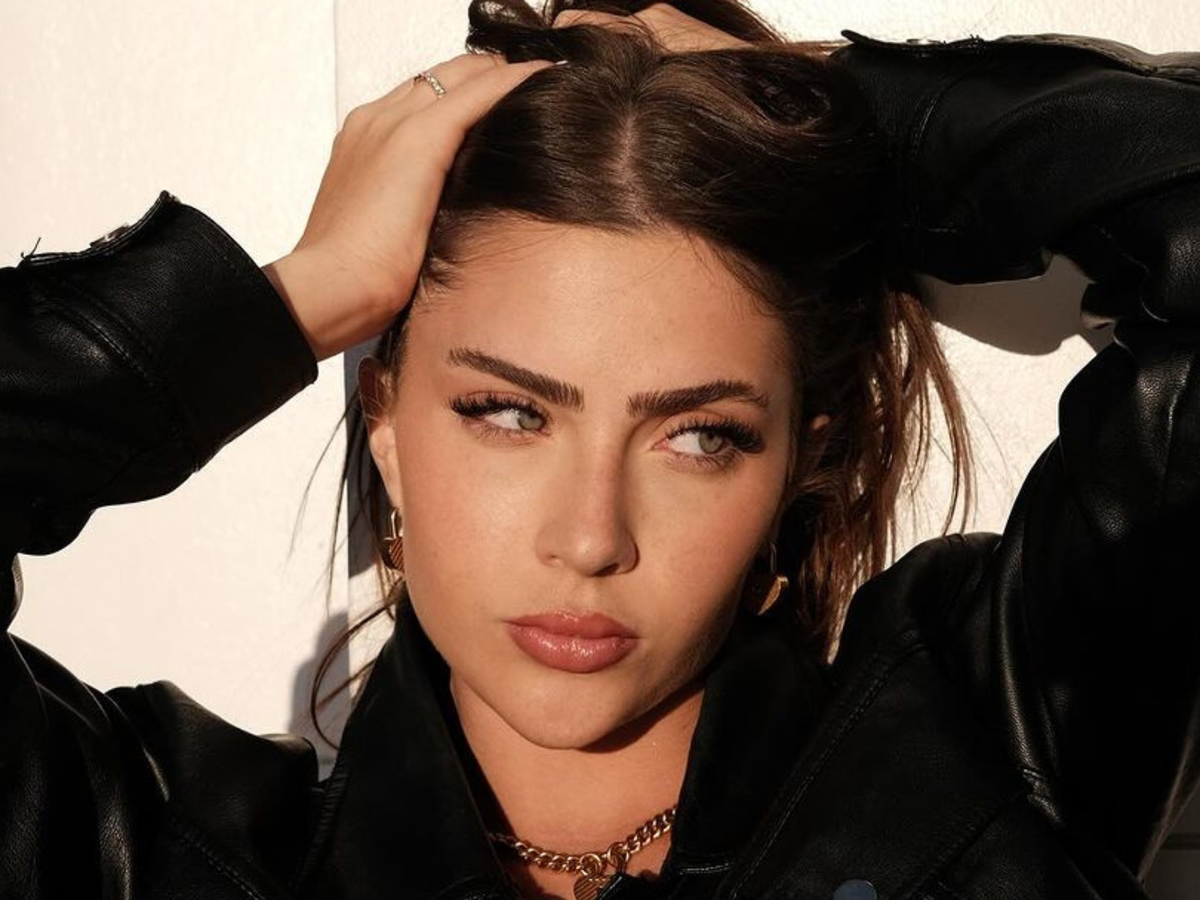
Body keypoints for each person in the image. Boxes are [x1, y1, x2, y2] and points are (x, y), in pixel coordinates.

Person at [2, 1, 1198, 898]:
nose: (589, 539)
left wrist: (831, 104)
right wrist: (296, 297)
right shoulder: (146, 848)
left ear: (796, 463)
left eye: (700, 436)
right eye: (508, 412)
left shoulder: (986, 753)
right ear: (387, 426)